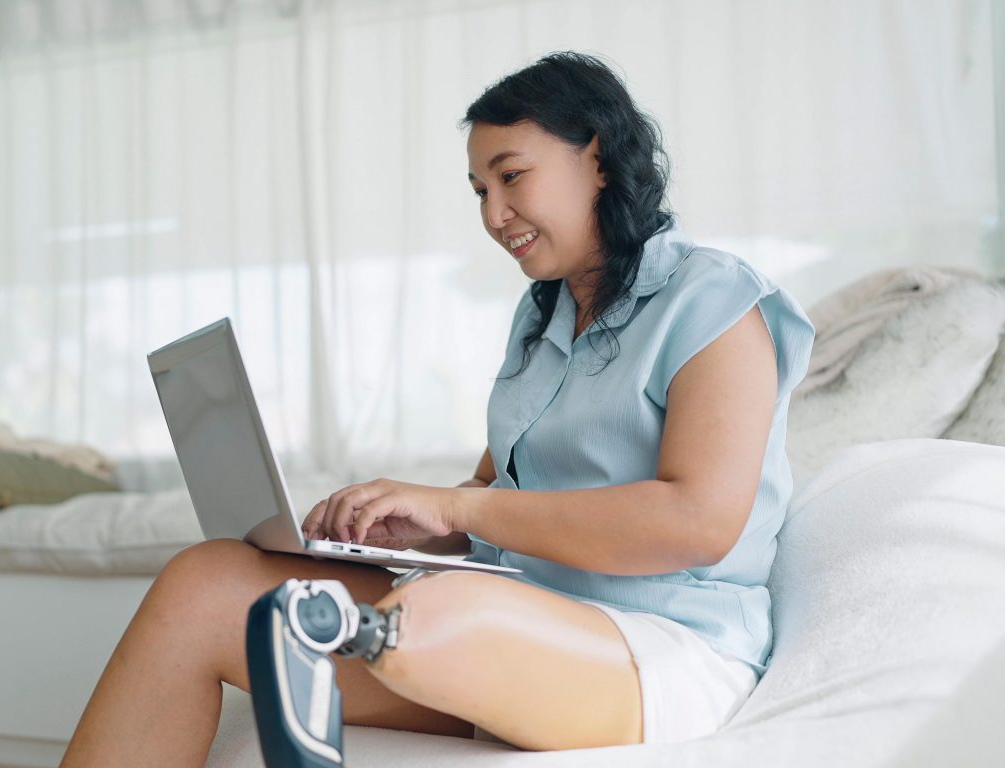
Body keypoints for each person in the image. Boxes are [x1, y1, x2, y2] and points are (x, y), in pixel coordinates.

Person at [61, 51, 813, 766]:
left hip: (659, 645)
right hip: (508, 614)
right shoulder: (542, 318)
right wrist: (416, 526)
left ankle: (353, 639)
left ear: (599, 158)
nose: (495, 214)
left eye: (511, 176)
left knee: (441, 615)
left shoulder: (712, 298)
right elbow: (495, 496)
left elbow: (697, 522)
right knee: (206, 583)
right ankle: (353, 632)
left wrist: (457, 509)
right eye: (480, 191)